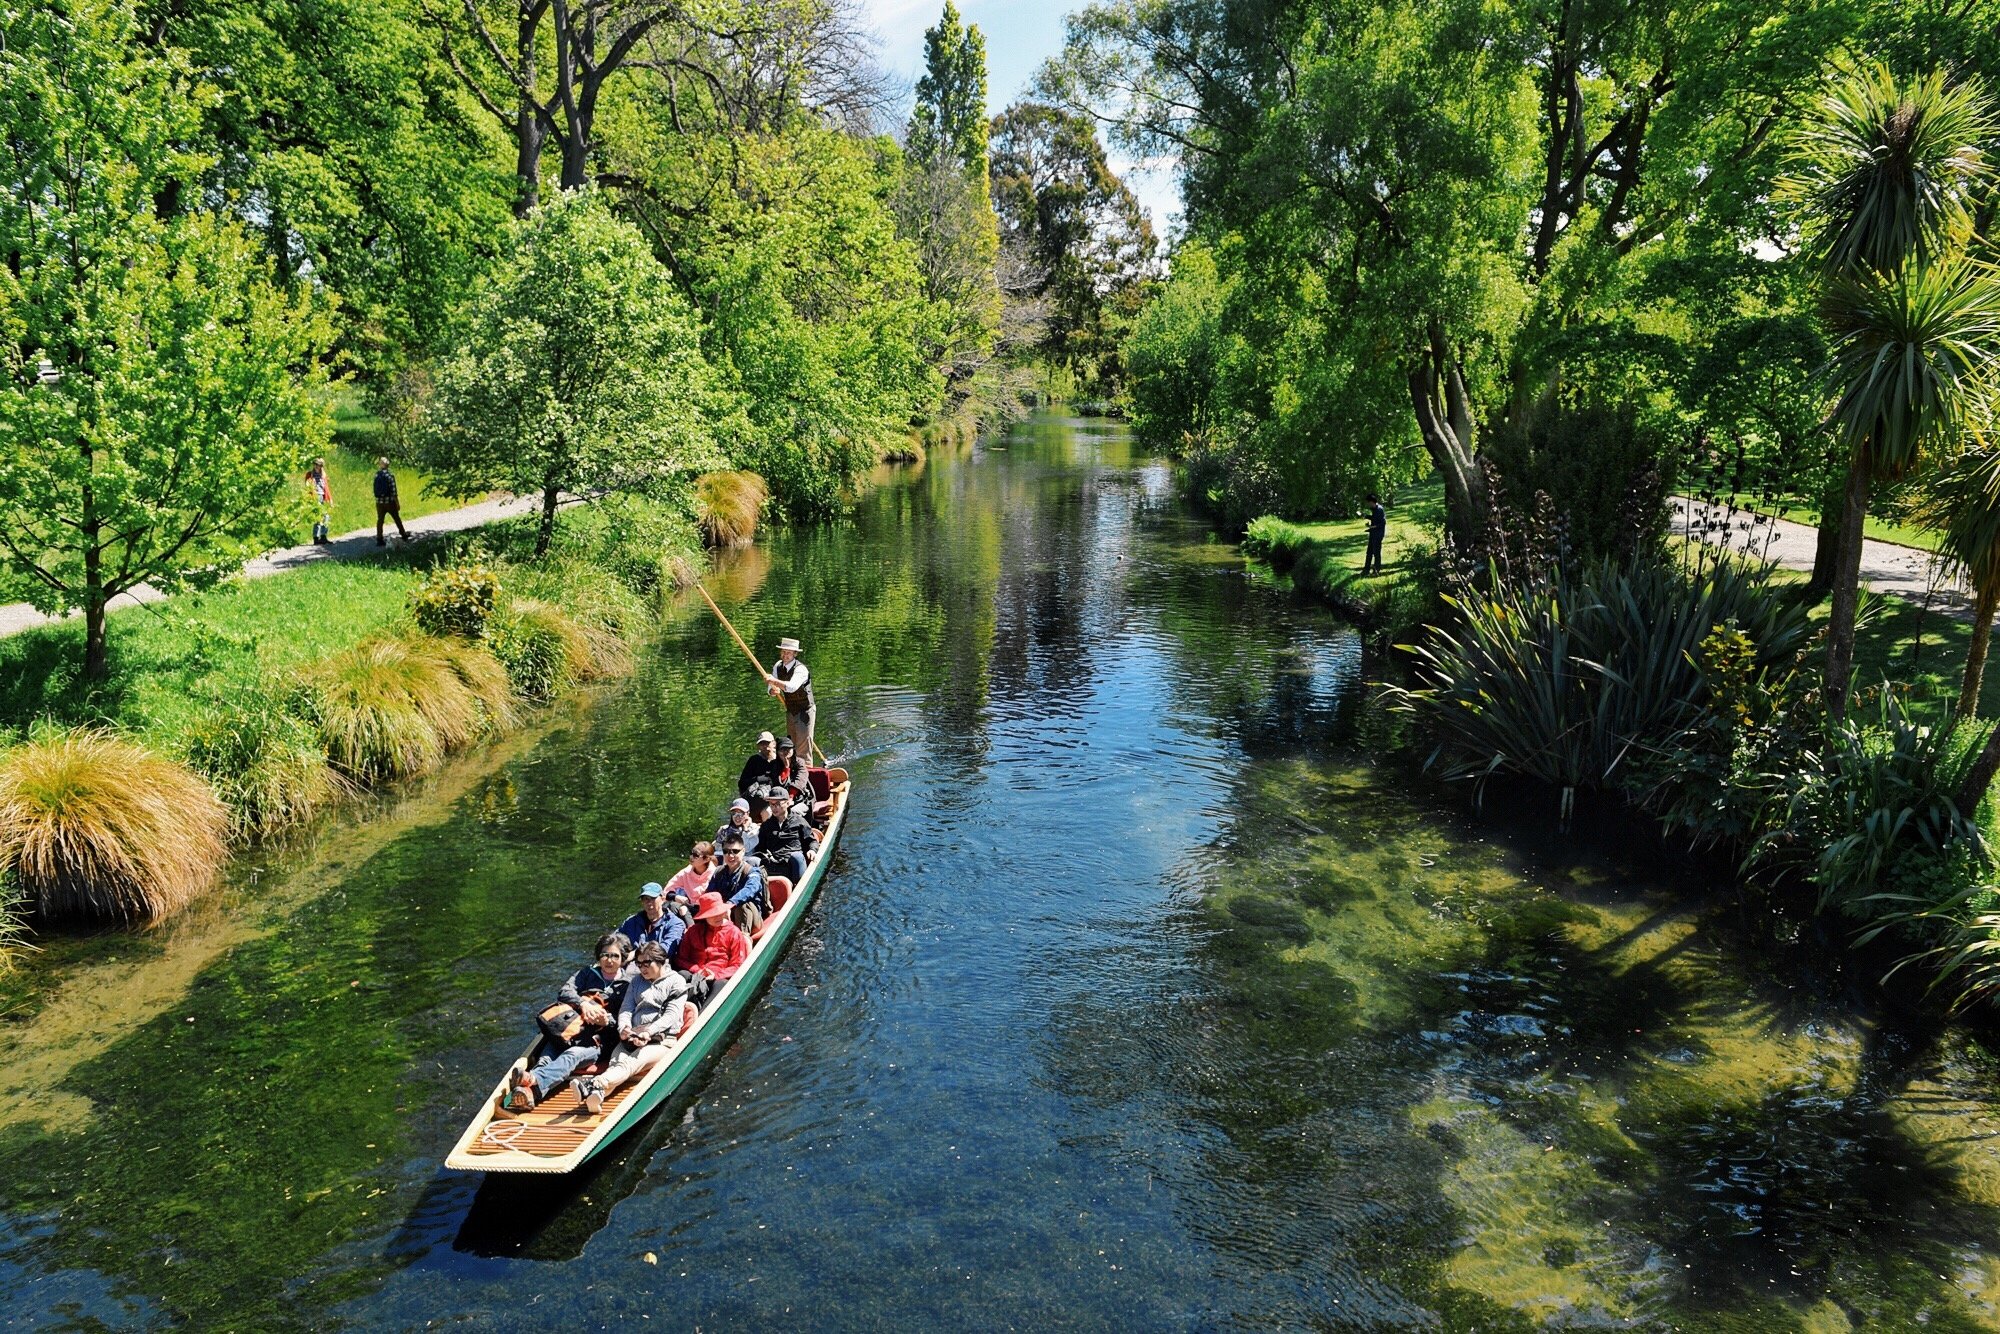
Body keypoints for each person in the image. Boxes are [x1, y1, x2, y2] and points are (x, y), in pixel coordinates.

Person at [504, 933, 632, 1112]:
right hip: (570, 1029)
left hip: (597, 1041)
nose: (609, 960)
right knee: (548, 1052)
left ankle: (533, 1081)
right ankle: (529, 1093)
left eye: (614, 956)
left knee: (572, 1055)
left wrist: (606, 1020)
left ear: (623, 958)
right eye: (605, 955)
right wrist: (583, 1003)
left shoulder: (627, 985)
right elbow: (564, 991)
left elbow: (627, 1017)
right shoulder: (587, 973)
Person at [574, 942, 691, 1115]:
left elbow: (671, 1016)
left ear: (661, 961)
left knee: (631, 1062)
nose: (642, 969)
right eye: (639, 964)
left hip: (661, 1041)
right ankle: (598, 1095)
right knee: (616, 1063)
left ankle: (594, 1084)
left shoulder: (676, 982)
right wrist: (624, 1028)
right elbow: (626, 1009)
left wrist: (648, 1032)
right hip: (633, 1036)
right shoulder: (636, 981)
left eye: (647, 963)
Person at [676, 891, 749, 1008]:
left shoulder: (734, 932)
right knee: (681, 975)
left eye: (721, 912)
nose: (719, 916)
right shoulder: (693, 931)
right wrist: (697, 970)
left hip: (718, 978)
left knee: (721, 985)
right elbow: (680, 959)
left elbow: (738, 965)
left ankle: (701, 1016)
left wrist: (716, 975)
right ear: (705, 916)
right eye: (714, 914)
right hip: (695, 974)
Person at [755, 787, 819, 888]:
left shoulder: (799, 821)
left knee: (797, 857)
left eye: (778, 804)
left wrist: (812, 850)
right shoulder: (766, 826)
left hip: (793, 862)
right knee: (753, 861)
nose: (774, 808)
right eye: (772, 804)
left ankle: (799, 888)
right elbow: (760, 849)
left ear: (787, 803)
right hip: (774, 862)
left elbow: (811, 841)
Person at [765, 637, 815, 760]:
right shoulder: (778, 666)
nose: (785, 655)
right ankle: (791, 769)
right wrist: (772, 690)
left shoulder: (801, 669)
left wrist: (774, 681)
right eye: (783, 652)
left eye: (788, 652)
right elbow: (771, 689)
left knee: (803, 746)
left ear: (795, 654)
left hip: (805, 711)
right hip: (791, 709)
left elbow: (791, 687)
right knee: (791, 743)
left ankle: (806, 771)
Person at [707, 834, 768, 934]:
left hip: (750, 919)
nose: (730, 856)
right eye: (726, 852)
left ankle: (743, 939)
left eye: (735, 851)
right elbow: (710, 893)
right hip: (724, 915)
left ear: (743, 851)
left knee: (743, 906)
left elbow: (751, 889)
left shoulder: (752, 872)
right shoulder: (718, 872)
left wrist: (730, 903)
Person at [617, 881, 687, 963]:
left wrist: (635, 954)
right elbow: (616, 939)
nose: (649, 903)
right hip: (629, 965)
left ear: (663, 899)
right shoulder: (631, 921)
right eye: (645, 899)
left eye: (653, 898)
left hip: (659, 967)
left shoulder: (675, 923)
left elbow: (665, 950)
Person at [737, 731, 784, 816]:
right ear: (758, 746)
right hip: (758, 797)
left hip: (776, 795)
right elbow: (742, 783)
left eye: (767, 743)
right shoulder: (754, 760)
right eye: (762, 744)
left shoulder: (779, 760)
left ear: (774, 743)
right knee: (766, 811)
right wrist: (757, 779)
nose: (765, 746)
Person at [374, 455, 411, 546]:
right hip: (389, 502)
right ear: (388, 465)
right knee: (396, 518)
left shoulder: (376, 475)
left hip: (379, 502)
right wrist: (397, 503)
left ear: (380, 465)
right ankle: (403, 534)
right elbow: (394, 491)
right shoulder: (390, 476)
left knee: (380, 520)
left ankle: (379, 539)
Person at [306, 457, 334, 545]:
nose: (317, 466)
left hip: (323, 496)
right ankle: (316, 537)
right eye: (316, 465)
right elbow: (307, 487)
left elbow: (326, 488)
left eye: (319, 465)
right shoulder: (310, 474)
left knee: (326, 516)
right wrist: (310, 498)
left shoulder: (323, 475)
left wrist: (330, 499)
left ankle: (323, 536)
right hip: (315, 497)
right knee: (318, 517)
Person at [1362, 493, 1387, 576]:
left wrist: (1373, 526)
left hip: (1378, 534)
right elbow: (1374, 518)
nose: (1368, 504)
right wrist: (1367, 516)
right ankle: (1366, 569)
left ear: (1372, 502)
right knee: (1369, 552)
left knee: (1376, 553)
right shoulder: (1374, 509)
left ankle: (1377, 570)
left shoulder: (1379, 509)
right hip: (1373, 533)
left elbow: (1383, 522)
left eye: (1368, 503)